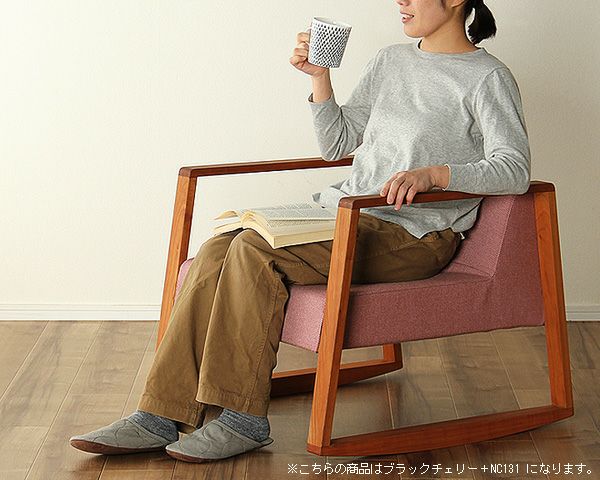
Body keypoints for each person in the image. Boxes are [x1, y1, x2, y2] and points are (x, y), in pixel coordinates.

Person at [69, 0, 530, 463]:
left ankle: (242, 419)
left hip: (414, 235)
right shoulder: (391, 60)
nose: (400, 2)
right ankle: (160, 413)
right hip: (346, 213)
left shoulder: (487, 77)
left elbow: (514, 168)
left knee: (253, 251)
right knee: (218, 248)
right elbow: (337, 144)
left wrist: (436, 175)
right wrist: (319, 78)